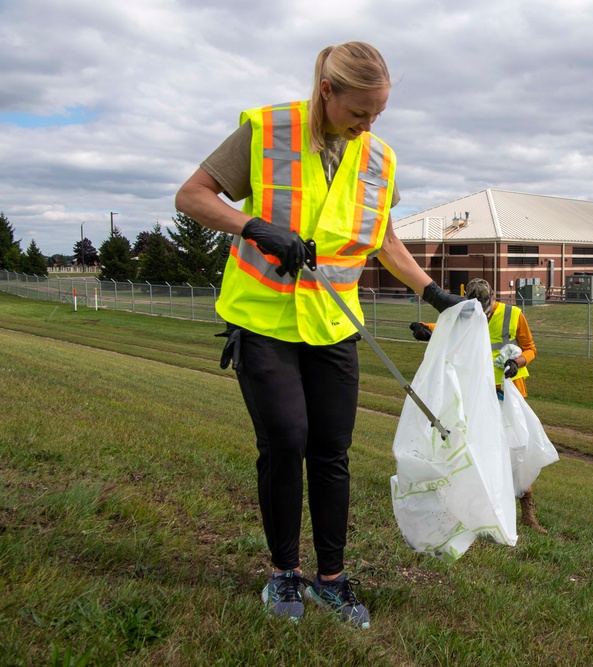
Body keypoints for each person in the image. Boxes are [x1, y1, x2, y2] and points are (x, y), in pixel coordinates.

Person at [174, 43, 463, 626]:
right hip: (263, 321)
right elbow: (192, 197)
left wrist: (432, 293)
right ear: (327, 91)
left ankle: (331, 579)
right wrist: (254, 226)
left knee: (331, 452)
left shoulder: (377, 157)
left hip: (334, 325)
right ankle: (284, 573)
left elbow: (381, 238)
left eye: (377, 114)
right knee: (285, 441)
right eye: (360, 113)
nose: (368, 126)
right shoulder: (266, 131)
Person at [410, 278, 547, 533]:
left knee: (515, 451)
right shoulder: (466, 311)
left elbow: (530, 348)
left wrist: (518, 362)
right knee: (476, 449)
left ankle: (528, 513)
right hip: (476, 393)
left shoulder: (513, 314)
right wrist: (425, 329)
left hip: (508, 394)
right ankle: (479, 508)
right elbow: (447, 327)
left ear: (493, 297)